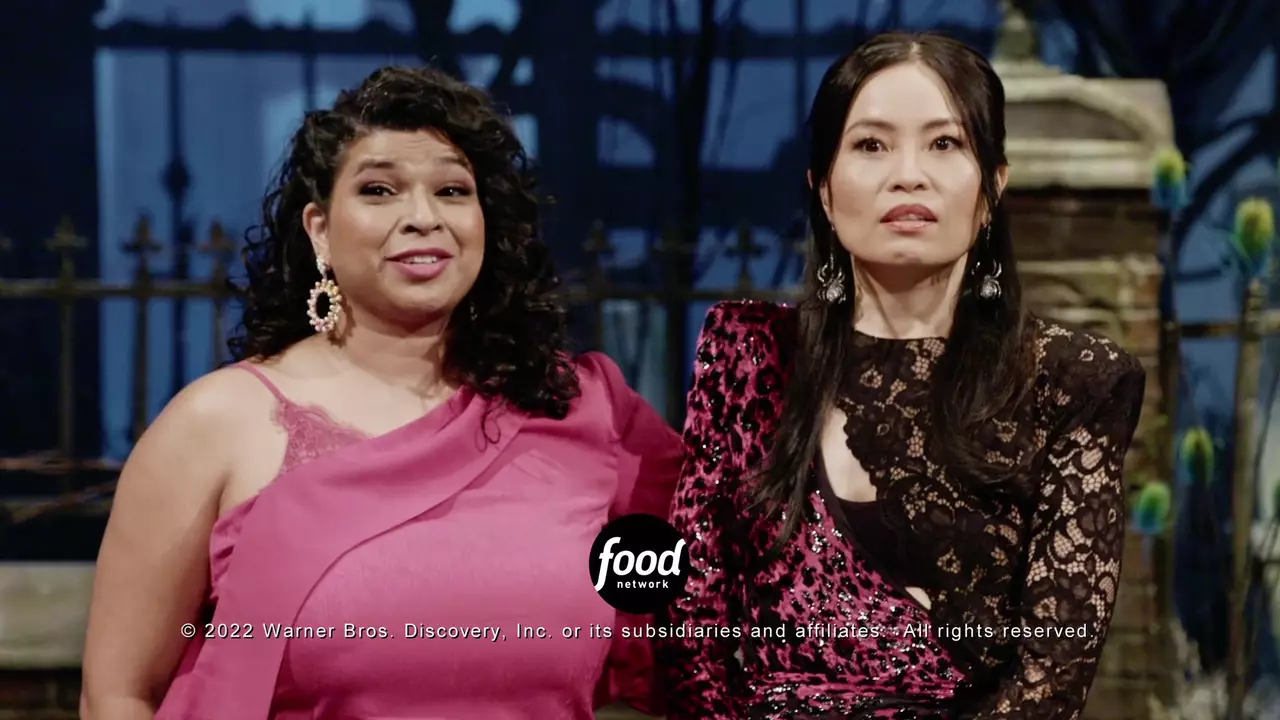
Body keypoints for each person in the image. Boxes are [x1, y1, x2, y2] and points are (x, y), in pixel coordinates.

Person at [79, 66, 682, 720]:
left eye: (452, 190)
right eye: (379, 190)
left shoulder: (581, 409)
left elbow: (719, 596)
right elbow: (119, 694)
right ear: (320, 230)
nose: (423, 217)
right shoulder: (220, 424)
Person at [657, 32, 1146, 720]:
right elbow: (690, 626)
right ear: (823, 190)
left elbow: (1053, 675)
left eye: (944, 143)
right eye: (871, 145)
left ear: (992, 187)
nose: (908, 175)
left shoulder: (1070, 381)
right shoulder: (752, 354)